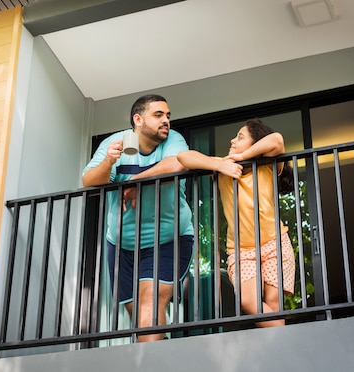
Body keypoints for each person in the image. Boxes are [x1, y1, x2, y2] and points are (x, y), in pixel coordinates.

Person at [82, 94, 194, 342]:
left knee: (149, 310)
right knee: (142, 320)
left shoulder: (173, 140)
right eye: (158, 115)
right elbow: (89, 180)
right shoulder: (119, 142)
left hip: (168, 239)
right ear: (138, 119)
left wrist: (135, 181)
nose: (166, 120)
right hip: (122, 245)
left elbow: (178, 164)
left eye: (168, 115)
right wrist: (109, 161)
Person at [177, 118, 295, 327]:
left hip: (274, 242)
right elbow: (183, 157)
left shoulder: (268, 167)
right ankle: (287, 343)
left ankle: (276, 351)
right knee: (249, 302)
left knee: (274, 304)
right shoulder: (223, 168)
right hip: (241, 251)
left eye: (240, 137)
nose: (232, 140)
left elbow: (276, 140)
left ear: (254, 144)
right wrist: (220, 164)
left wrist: (242, 156)